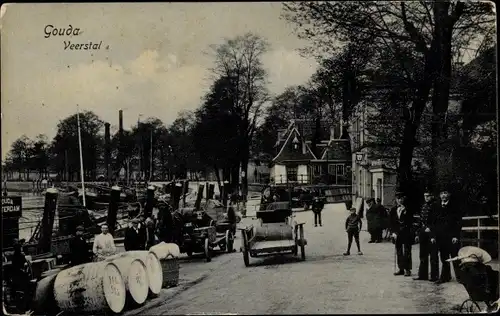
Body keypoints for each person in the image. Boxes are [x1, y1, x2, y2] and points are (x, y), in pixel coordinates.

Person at [433, 189, 462, 284]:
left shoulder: (455, 206)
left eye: (445, 193)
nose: (443, 195)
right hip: (441, 236)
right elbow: (434, 223)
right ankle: (445, 276)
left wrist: (456, 236)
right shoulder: (437, 206)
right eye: (441, 193)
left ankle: (460, 277)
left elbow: (458, 222)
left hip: (452, 236)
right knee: (444, 257)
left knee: (455, 256)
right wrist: (434, 236)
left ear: (449, 194)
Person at [413, 189, 439, 281]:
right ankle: (422, 275)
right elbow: (420, 220)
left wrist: (432, 232)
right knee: (422, 254)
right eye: (425, 196)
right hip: (423, 231)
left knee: (433, 255)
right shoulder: (423, 206)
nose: (426, 198)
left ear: (432, 196)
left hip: (432, 233)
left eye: (428, 196)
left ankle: (434, 276)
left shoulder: (436, 206)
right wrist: (417, 233)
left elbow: (437, 221)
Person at [390, 191, 414, 277]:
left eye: (401, 198)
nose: (399, 200)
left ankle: (407, 269)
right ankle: (401, 269)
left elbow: (411, 221)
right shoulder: (393, 210)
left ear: (403, 199)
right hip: (397, 234)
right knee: (399, 251)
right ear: (396, 200)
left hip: (406, 233)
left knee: (407, 251)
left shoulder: (408, 209)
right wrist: (393, 232)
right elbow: (391, 223)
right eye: (398, 199)